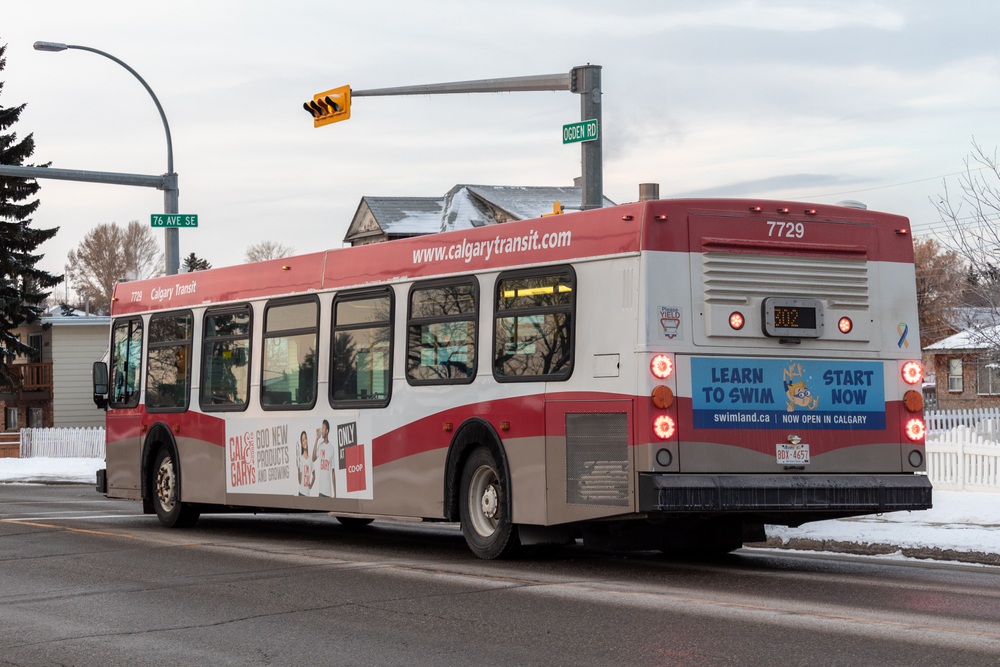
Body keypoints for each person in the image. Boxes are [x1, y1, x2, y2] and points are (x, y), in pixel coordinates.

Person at [312, 419, 335, 498]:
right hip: (321, 491)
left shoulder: (331, 448)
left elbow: (333, 471)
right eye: (321, 427)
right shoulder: (320, 446)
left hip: (328, 491)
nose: (322, 430)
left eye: (323, 427)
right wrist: (316, 439)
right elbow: (313, 458)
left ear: (327, 431)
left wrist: (335, 493)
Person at [297, 430, 314, 496]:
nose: (305, 441)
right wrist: (298, 468)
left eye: (305, 438)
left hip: (308, 494)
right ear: (301, 444)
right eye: (303, 440)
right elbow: (300, 481)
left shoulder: (310, 459)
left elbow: (314, 476)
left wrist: (310, 486)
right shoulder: (301, 459)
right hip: (301, 493)